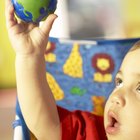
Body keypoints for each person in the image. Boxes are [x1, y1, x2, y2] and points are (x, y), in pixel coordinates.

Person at [5, 0, 140, 140]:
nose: (117, 97)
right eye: (119, 82)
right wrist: (30, 55)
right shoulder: (92, 133)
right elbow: (45, 123)